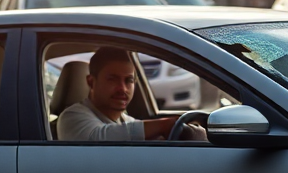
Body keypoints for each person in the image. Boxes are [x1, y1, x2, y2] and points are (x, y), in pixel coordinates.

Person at [57, 47, 203, 142]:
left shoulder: (125, 120)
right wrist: (165, 124)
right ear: (91, 82)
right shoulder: (72, 117)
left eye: (129, 80)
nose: (122, 88)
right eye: (112, 79)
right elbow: (99, 137)